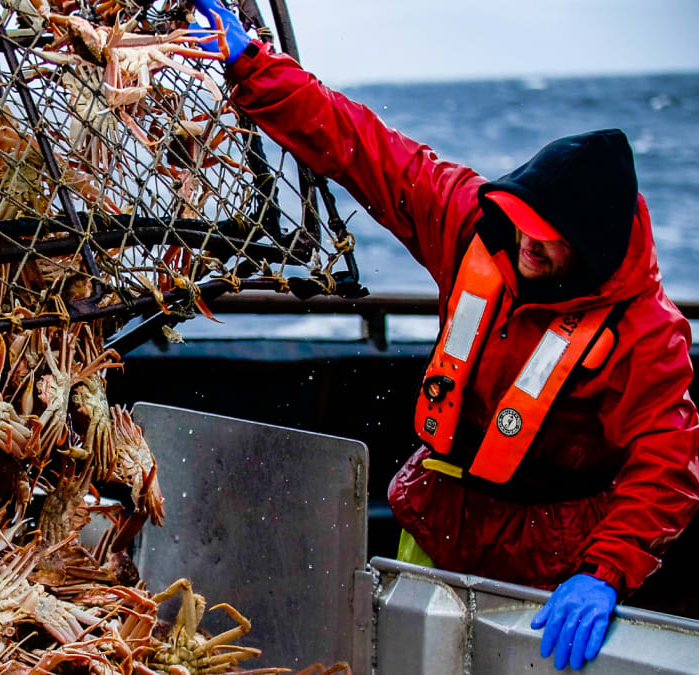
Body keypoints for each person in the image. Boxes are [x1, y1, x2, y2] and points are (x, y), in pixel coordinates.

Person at [187, 0, 699, 669]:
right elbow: (364, 147)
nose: (526, 251)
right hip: (434, 515)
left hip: (549, 562)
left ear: (594, 254)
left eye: (550, 247)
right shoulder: (473, 224)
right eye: (523, 230)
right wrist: (253, 67)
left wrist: (604, 572)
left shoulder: (646, 333)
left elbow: (666, 467)